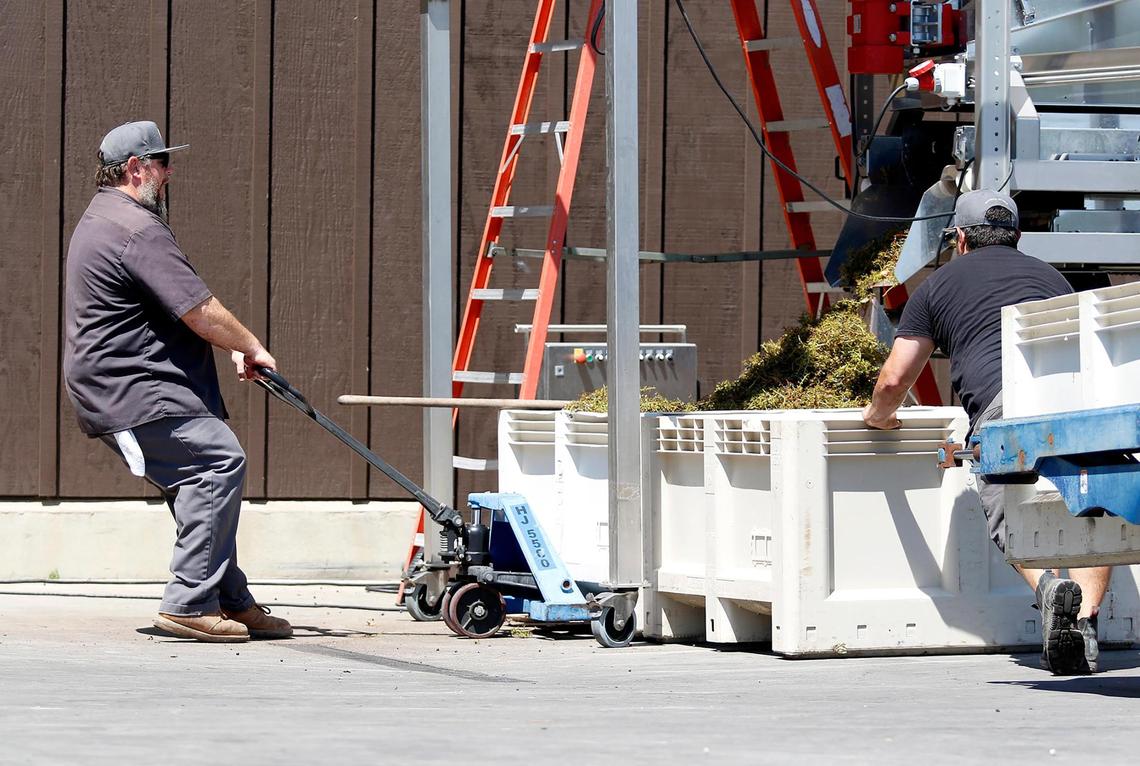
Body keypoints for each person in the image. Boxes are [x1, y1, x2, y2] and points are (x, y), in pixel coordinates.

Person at [862, 189, 1109, 675]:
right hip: (1076, 402)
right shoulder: (1053, 278)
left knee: (1006, 507)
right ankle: (1082, 624)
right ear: (1017, 236)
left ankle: (1049, 591)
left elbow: (894, 378)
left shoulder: (936, 287)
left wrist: (879, 417)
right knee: (1090, 507)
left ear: (958, 238)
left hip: (1004, 405)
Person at [63, 120, 292, 643]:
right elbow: (198, 309)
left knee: (201, 484)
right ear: (134, 169)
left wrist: (235, 348)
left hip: (127, 385)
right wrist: (250, 346)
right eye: (162, 162)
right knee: (217, 462)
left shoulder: (105, 218)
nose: (170, 172)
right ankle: (190, 602)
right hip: (135, 388)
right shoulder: (135, 228)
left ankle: (229, 599)